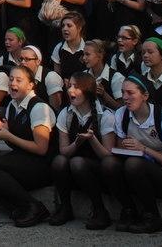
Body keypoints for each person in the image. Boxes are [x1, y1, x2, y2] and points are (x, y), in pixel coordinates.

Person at [0, 65, 56, 228]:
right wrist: (4, 133)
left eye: (19, 80)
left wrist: (9, 136)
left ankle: (33, 206)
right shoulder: (12, 106)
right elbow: (14, 144)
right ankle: (16, 206)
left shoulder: (39, 108)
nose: (13, 83)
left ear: (30, 85)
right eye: (11, 79)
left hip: (41, 164)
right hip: (22, 159)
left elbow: (41, 149)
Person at [104, 75, 162, 233]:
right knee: (109, 164)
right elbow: (122, 151)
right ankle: (129, 210)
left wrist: (145, 149)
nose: (125, 97)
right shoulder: (122, 114)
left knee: (134, 164)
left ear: (145, 96)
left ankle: (153, 217)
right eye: (123, 92)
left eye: (130, 93)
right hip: (135, 174)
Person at [49, 71, 116, 229]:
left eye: (76, 87)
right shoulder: (66, 113)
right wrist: (77, 143)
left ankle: (100, 211)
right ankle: (65, 207)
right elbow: (64, 151)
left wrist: (92, 139)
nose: (70, 90)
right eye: (70, 85)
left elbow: (108, 155)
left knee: (78, 163)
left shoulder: (105, 115)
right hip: (73, 166)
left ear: (88, 91)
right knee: (59, 161)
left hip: (98, 169)